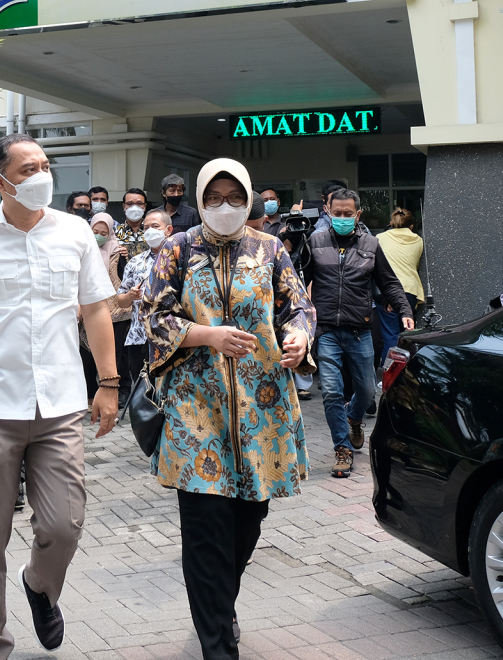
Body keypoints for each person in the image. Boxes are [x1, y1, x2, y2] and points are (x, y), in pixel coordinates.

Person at [0, 133, 120, 658]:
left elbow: (98, 311)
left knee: (65, 522)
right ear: (0, 181)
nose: (41, 176)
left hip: (60, 406)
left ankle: (40, 584)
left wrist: (109, 383)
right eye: (28, 168)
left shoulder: (76, 233)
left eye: (44, 165)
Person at [144, 158, 315, 660]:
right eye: (214, 198)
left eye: (234, 197)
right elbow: (152, 316)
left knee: (248, 520)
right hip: (197, 408)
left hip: (263, 411)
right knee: (205, 531)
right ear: (199, 200)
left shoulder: (271, 248)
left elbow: (297, 305)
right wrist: (206, 335)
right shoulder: (178, 248)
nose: (225, 207)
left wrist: (299, 336)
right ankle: (218, 645)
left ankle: (221, 600)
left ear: (249, 199)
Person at [304, 188, 413, 479]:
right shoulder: (314, 241)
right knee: (330, 391)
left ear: (357, 214)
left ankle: (353, 417)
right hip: (326, 329)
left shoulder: (371, 244)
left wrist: (405, 310)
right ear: (327, 212)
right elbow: (298, 281)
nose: (342, 218)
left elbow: (389, 282)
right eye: (336, 213)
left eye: (347, 214)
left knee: (366, 390)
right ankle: (342, 448)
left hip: (359, 330)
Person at [115, 208, 172, 387]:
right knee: (142, 389)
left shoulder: (181, 259)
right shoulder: (135, 262)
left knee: (167, 387)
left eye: (155, 226)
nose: (149, 231)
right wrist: (131, 295)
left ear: (168, 230)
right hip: (139, 337)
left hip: (170, 334)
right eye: (146, 228)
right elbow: (121, 300)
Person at [93, 210, 134, 406]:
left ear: (110, 232)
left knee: (118, 352)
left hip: (116, 310)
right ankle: (95, 390)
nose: (99, 235)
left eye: (104, 232)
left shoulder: (119, 251)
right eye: (95, 230)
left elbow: (124, 279)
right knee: (91, 350)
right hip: (91, 307)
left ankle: (122, 390)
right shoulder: (84, 250)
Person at [375, 208, 425, 359]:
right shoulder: (418, 240)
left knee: (390, 334)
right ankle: (405, 373)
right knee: (406, 334)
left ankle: (388, 376)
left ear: (391, 223)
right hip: (410, 291)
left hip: (387, 291)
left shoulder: (379, 238)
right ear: (411, 227)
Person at [115, 188, 150, 260]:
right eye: (130, 204)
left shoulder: (152, 231)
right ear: (124, 207)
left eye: (139, 203)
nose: (134, 208)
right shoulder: (114, 233)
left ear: (145, 207)